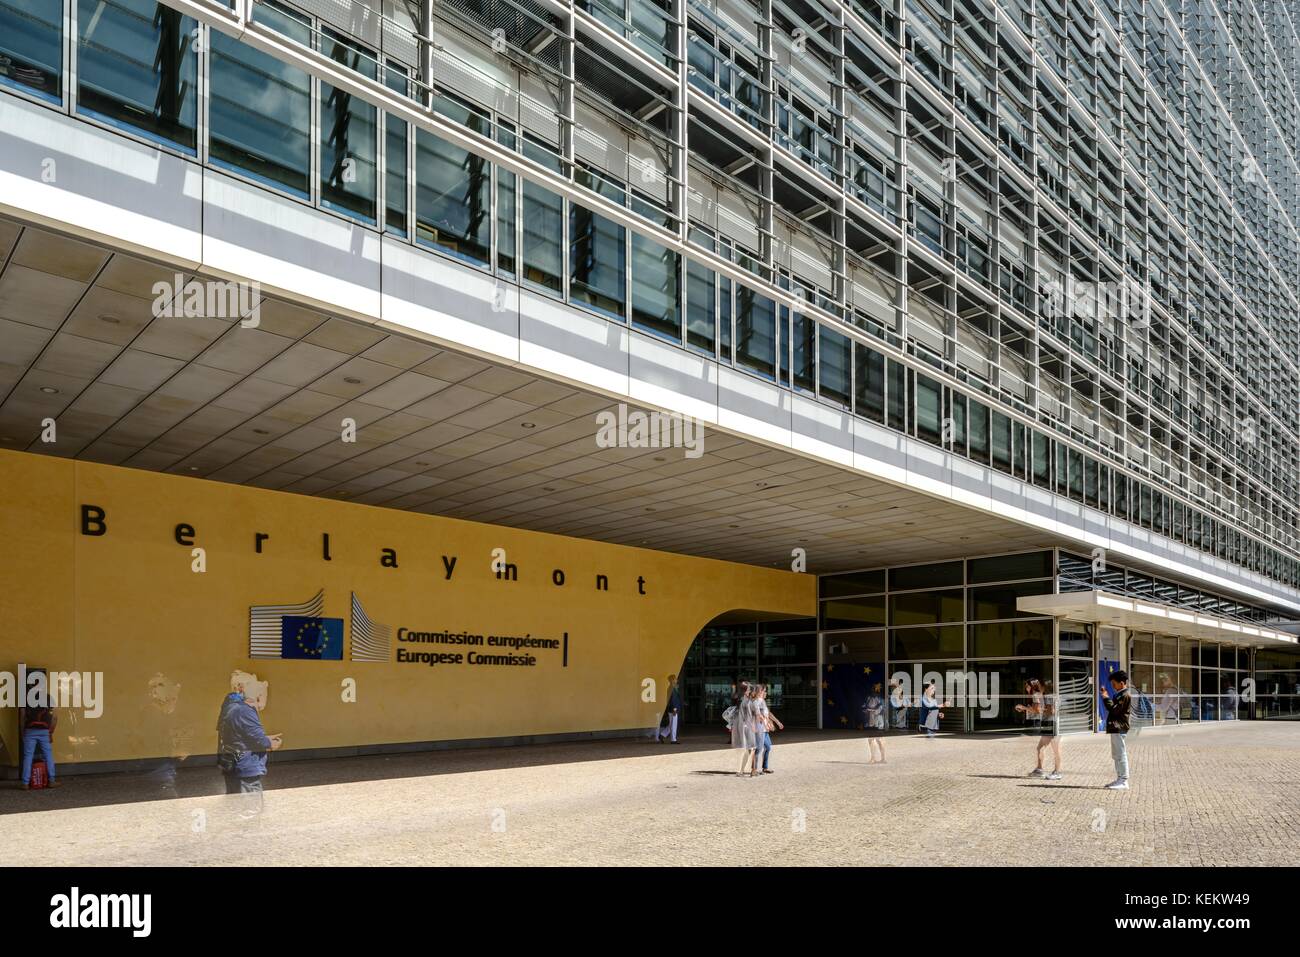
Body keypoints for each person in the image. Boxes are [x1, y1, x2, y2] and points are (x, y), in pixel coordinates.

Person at [217, 672, 281, 813]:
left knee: (235, 805)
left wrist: (264, 738)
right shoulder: (244, 710)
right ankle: (249, 832)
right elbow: (258, 739)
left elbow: (237, 734)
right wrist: (270, 743)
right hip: (246, 767)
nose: (257, 691)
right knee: (250, 811)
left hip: (231, 763)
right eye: (254, 686)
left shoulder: (229, 704)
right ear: (241, 687)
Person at [20, 691, 60, 790]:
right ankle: (51, 781)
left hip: (30, 730)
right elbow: (55, 717)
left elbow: (22, 715)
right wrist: (51, 732)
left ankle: (25, 783)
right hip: (44, 731)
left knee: (28, 756)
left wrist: (22, 731)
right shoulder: (48, 698)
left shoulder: (26, 698)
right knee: (48, 755)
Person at [1100, 670, 1132, 790]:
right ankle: (1120, 778)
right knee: (1116, 754)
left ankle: (1124, 780)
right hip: (1116, 727)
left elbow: (1114, 710)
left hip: (1119, 727)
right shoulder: (1120, 694)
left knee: (1121, 754)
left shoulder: (1125, 695)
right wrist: (1107, 697)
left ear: (1122, 683)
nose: (1113, 686)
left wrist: (1105, 698)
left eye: (1114, 683)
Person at [754, 684, 783, 774]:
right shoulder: (756, 702)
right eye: (764, 690)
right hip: (760, 729)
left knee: (768, 747)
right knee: (759, 749)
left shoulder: (762, 701)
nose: (766, 692)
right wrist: (766, 724)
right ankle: (754, 769)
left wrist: (777, 722)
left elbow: (768, 714)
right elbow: (759, 715)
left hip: (765, 729)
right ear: (760, 691)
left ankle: (764, 767)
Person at [732, 685, 760, 777]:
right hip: (749, 727)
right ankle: (746, 770)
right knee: (750, 749)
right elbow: (755, 715)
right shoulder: (748, 701)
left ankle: (746, 770)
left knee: (750, 749)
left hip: (747, 726)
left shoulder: (744, 700)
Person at [863, 682, 886, 764]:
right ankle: (883, 758)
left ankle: (873, 758)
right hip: (880, 721)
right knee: (879, 740)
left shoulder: (871, 698)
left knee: (871, 740)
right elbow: (881, 709)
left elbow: (865, 708)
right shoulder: (881, 698)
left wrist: (869, 710)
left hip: (873, 721)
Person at [657, 675, 683, 743]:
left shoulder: (673, 688)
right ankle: (673, 740)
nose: (676, 680)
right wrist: (674, 709)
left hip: (672, 708)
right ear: (672, 680)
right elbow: (672, 700)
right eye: (675, 679)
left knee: (671, 724)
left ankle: (662, 735)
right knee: (673, 725)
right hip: (673, 709)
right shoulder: (671, 688)